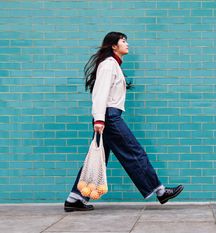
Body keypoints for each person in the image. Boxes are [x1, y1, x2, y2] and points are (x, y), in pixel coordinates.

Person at [64, 32, 183, 212]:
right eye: (123, 41)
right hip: (109, 118)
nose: (127, 44)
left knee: (98, 159)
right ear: (114, 46)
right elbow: (100, 94)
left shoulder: (114, 66)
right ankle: (160, 191)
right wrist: (99, 119)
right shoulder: (108, 65)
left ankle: (75, 198)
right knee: (134, 151)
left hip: (108, 117)